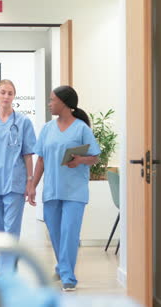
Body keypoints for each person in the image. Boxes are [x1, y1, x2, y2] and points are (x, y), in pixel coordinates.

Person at [28, 86, 101, 292]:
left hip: (75, 191)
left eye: (52, 100)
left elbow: (95, 157)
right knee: (56, 234)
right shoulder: (47, 129)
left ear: (64, 103)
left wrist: (80, 160)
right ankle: (62, 267)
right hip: (52, 190)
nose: (49, 104)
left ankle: (68, 276)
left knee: (69, 233)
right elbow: (41, 160)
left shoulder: (81, 129)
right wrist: (32, 186)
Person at [0, 79, 37, 273]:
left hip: (14, 181)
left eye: (10, 93)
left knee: (11, 229)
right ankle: (11, 257)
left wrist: (30, 181)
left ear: (14, 96)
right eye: (3, 92)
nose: (6, 96)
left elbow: (28, 154)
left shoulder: (23, 122)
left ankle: (6, 271)